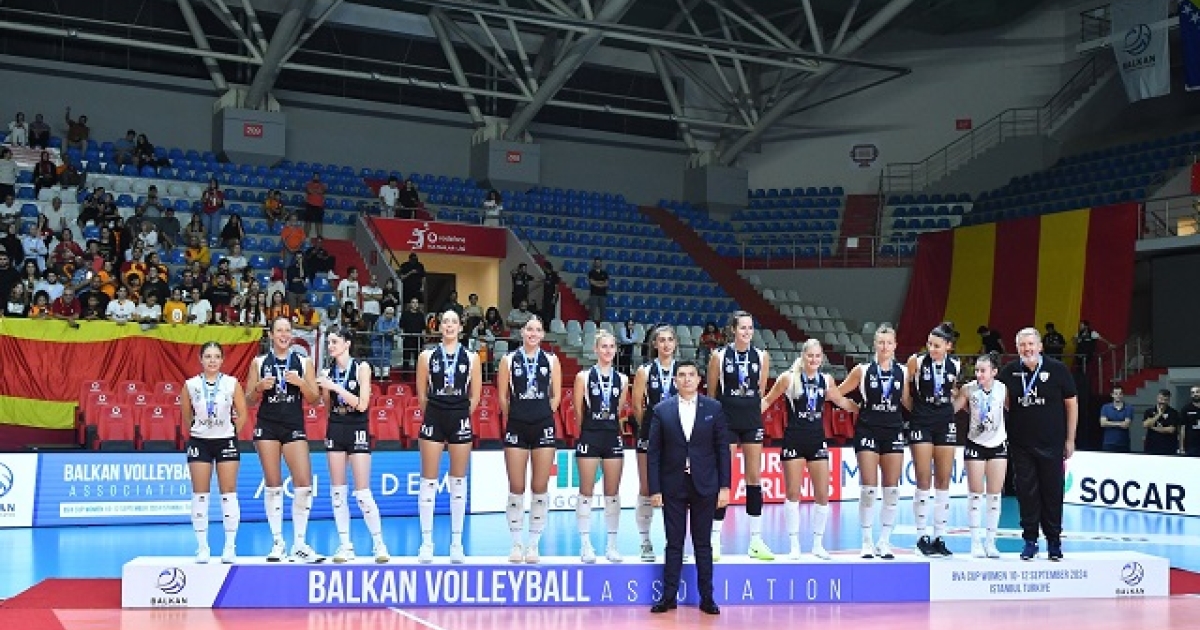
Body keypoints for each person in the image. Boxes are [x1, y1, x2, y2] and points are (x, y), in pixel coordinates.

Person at [761, 339, 859, 560]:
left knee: (822, 493)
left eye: (817, 356)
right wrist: (746, 418)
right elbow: (767, 400)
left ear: (822, 358)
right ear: (803, 356)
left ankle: (817, 544)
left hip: (817, 439)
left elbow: (841, 401)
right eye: (810, 356)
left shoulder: (827, 380)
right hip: (794, 439)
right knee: (793, 493)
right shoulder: (788, 378)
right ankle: (794, 544)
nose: (814, 360)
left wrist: (863, 410)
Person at [647, 359, 727, 616]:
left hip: (706, 485)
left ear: (699, 379)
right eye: (681, 375)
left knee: (703, 544)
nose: (687, 379)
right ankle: (668, 597)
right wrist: (655, 489)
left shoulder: (714, 408)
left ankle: (707, 598)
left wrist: (725, 487)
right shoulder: (662, 410)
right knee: (674, 543)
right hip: (673, 485)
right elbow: (653, 453)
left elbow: (722, 450)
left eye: (691, 375)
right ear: (675, 380)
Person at [245, 317, 325, 563]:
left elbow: (315, 399)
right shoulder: (259, 362)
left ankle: (299, 544)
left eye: (287, 331)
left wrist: (301, 384)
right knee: (273, 484)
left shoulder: (303, 361)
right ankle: (278, 543)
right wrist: (259, 387)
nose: (283, 334)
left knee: (304, 484)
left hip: (293, 425)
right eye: (279, 330)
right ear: (271, 334)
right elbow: (248, 401)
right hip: (267, 425)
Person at [997, 327, 1076, 561]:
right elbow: (1001, 401)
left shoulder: (1058, 369)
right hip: (1021, 445)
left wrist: (1070, 439)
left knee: (1052, 492)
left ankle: (1054, 541)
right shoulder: (1009, 372)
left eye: (1031, 344)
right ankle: (1030, 540)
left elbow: (1072, 405)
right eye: (1022, 345)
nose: (1027, 349)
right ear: (1017, 348)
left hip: (1052, 444)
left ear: (1040, 346)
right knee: (1026, 494)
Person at [317, 327, 390, 563]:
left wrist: (335, 387)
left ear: (347, 343)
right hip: (336, 427)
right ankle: (345, 545)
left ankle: (379, 544)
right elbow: (327, 406)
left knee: (362, 493)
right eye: (329, 342)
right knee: (338, 493)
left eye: (335, 341)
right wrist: (329, 390)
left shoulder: (361, 367)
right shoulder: (327, 372)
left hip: (357, 426)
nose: (331, 346)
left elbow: (362, 404)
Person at [415, 310, 482, 563]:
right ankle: (426, 543)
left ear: (461, 327)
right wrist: (437, 411)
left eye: (454, 322)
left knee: (458, 482)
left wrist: (459, 412)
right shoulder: (426, 356)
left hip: (460, 418)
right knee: (428, 481)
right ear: (439, 326)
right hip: (434, 416)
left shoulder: (472, 357)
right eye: (445, 322)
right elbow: (422, 395)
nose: (449, 325)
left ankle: (456, 543)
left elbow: (475, 396)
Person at [706, 311, 773, 561]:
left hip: (751, 422)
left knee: (754, 478)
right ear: (733, 330)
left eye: (750, 327)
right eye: (742, 327)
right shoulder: (719, 356)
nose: (747, 332)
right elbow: (711, 394)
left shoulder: (762, 356)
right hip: (727, 422)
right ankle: (714, 540)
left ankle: (755, 540)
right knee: (724, 478)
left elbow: (759, 391)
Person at [837, 325, 909, 559]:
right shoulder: (862, 370)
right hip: (867, 430)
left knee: (892, 490)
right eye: (881, 342)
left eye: (889, 343)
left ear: (895, 345)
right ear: (874, 345)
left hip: (893, 431)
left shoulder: (903, 372)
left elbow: (908, 402)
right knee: (868, 489)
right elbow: (837, 393)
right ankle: (867, 541)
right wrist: (852, 407)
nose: (885, 347)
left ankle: (884, 542)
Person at [497, 316, 562, 564]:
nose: (533, 333)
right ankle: (516, 543)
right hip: (517, 426)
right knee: (516, 487)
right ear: (522, 332)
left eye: (537, 329)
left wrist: (542, 414)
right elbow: (502, 398)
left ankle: (533, 544)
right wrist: (518, 415)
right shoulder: (508, 360)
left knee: (539, 486)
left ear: (543, 334)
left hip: (543, 426)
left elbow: (556, 396)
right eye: (529, 329)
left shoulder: (552, 360)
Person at [183, 342, 249, 564]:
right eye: (208, 356)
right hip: (200, 441)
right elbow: (186, 416)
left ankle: (230, 547)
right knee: (200, 494)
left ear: (222, 360)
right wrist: (201, 430)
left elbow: (242, 413)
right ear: (200, 359)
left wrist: (230, 433)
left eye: (216, 356)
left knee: (228, 493)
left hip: (225, 441)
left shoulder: (231, 383)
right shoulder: (190, 385)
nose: (212, 360)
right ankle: (202, 547)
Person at [904, 323, 962, 557]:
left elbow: (954, 390)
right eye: (929, 344)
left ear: (948, 346)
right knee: (923, 478)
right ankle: (921, 536)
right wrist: (916, 412)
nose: (932, 349)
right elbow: (904, 391)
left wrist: (948, 408)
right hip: (921, 419)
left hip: (944, 420)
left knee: (944, 480)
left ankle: (939, 536)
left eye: (937, 346)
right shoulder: (916, 361)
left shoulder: (956, 364)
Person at [572, 330, 629, 563]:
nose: (607, 350)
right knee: (586, 491)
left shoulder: (622, 379)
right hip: (590, 435)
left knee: (612, 493)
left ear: (616, 350)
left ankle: (612, 545)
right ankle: (585, 544)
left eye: (611, 346)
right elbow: (578, 412)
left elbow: (618, 410)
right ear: (595, 349)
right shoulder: (583, 377)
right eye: (603, 346)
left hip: (612, 436)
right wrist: (587, 431)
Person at [631, 325, 677, 562]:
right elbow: (637, 405)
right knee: (647, 488)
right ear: (655, 344)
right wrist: (650, 428)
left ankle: (675, 543)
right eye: (662, 340)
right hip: (650, 432)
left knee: (676, 490)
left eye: (670, 340)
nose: (666, 344)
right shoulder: (645, 371)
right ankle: (645, 542)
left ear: (675, 343)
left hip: (678, 436)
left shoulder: (683, 370)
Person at [955, 352, 1007, 559]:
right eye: (977, 370)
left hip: (998, 444)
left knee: (994, 496)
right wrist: (950, 394)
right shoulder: (969, 389)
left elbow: (1013, 409)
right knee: (975, 495)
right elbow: (954, 408)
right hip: (975, 444)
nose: (979, 374)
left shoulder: (1003, 389)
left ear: (994, 371)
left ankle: (991, 542)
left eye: (983, 371)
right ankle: (975, 542)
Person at [1142, 389, 1180, 456]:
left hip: (1169, 448)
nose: (1163, 402)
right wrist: (1158, 415)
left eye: (1165, 400)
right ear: (1157, 398)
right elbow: (1145, 425)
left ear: (1168, 400)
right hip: (1151, 447)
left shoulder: (1173, 413)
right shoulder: (1149, 411)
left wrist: (1153, 427)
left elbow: (1171, 430)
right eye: (1161, 399)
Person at [1098, 386, 1134, 453]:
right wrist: (1120, 423)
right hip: (1109, 443)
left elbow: (1126, 425)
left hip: (1123, 443)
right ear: (1112, 395)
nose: (1118, 396)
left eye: (1120, 394)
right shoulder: (1105, 407)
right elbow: (1102, 423)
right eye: (1116, 394)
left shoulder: (1129, 408)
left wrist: (1109, 423)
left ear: (1123, 395)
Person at [200, 178, 224, 246]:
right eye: (211, 183)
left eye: (213, 183)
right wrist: (206, 195)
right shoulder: (206, 192)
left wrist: (215, 194)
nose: (212, 184)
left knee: (214, 228)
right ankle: (205, 242)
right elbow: (202, 201)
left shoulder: (219, 193)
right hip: (206, 211)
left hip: (215, 211)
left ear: (216, 184)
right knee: (205, 227)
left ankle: (213, 242)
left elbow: (220, 202)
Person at [304, 172, 327, 238]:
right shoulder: (309, 184)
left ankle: (319, 236)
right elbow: (309, 191)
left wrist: (315, 191)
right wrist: (317, 191)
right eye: (315, 176)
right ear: (313, 177)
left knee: (319, 222)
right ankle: (306, 235)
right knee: (308, 221)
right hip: (310, 204)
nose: (316, 178)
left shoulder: (322, 185)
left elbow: (322, 191)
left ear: (319, 178)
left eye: (317, 176)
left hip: (319, 205)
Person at [586, 258, 609, 324]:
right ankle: (591, 325)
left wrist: (597, 283)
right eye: (596, 262)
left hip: (603, 295)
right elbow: (592, 282)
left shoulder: (605, 273)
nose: (597, 264)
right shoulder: (591, 273)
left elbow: (606, 283)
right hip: (594, 294)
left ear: (601, 263)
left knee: (603, 312)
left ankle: (602, 325)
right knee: (592, 311)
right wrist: (601, 283)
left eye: (598, 262)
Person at [1181, 386, 1200, 457]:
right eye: (1193, 393)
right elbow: (1182, 428)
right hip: (1191, 445)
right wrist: (1182, 447)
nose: (1195, 394)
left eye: (1197, 392)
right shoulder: (1186, 409)